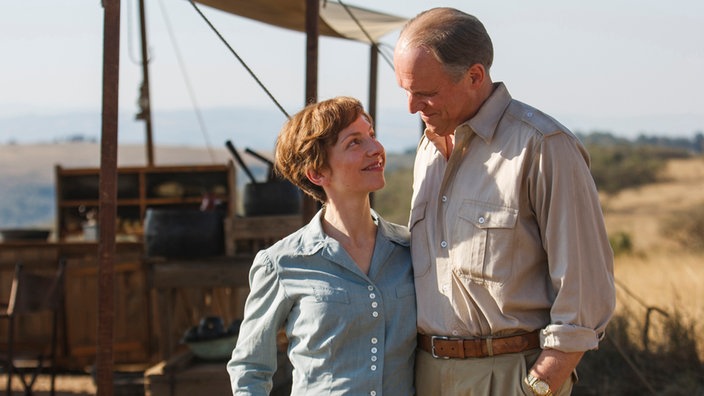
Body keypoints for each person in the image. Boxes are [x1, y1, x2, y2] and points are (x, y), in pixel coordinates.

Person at [393, 7, 615, 396]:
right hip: (425, 375)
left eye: (425, 93)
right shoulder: (427, 150)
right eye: (406, 91)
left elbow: (586, 291)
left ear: (475, 76)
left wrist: (539, 385)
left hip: (511, 378)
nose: (412, 106)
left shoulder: (543, 146)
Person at [227, 97, 417, 395]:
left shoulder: (411, 250)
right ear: (317, 173)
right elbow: (250, 370)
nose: (375, 149)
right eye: (355, 142)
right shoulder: (282, 264)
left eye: (371, 135)